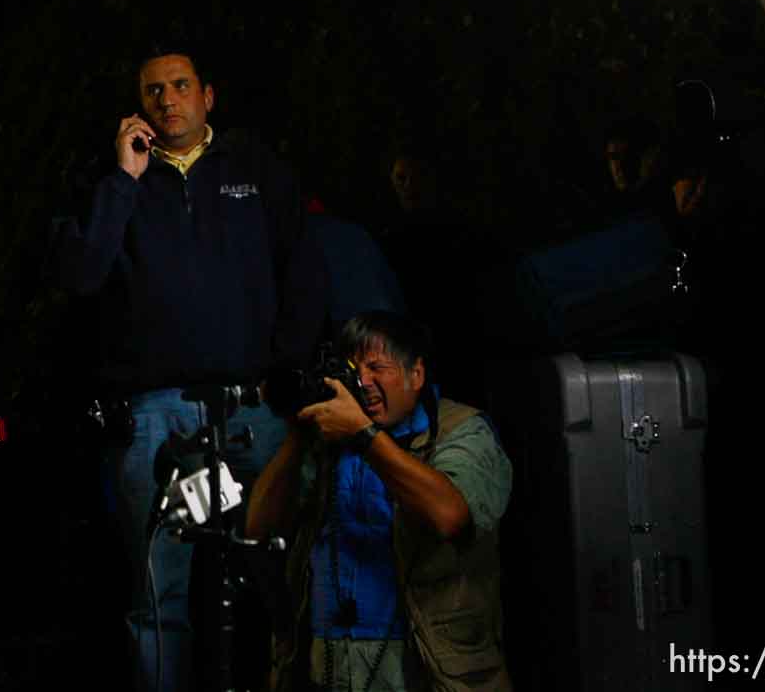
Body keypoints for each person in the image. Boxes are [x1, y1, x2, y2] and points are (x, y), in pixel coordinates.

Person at [54, 47, 301, 692]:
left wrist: (287, 369)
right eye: (154, 90)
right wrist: (123, 179)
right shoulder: (114, 180)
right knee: (158, 595)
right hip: (157, 414)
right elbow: (81, 274)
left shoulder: (253, 168)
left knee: (287, 572)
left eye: (181, 85)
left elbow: (301, 264)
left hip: (252, 408)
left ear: (208, 96)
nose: (168, 99)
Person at [246, 311, 512, 692]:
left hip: (424, 665)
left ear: (415, 374)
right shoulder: (328, 440)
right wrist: (296, 434)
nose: (364, 382)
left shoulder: (462, 430)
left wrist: (363, 434)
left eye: (377, 368)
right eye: (354, 370)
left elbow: (450, 515)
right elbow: (258, 528)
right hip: (327, 661)